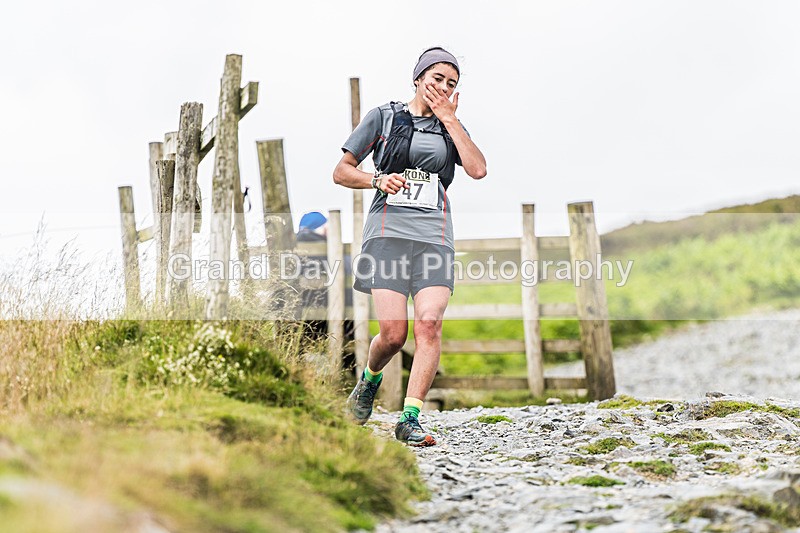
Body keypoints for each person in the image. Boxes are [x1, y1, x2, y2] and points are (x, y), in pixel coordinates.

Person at [333, 46, 487, 446]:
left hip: (434, 235)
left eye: (452, 83)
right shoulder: (384, 117)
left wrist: (450, 119)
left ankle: (410, 417)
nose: (443, 87)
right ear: (418, 78)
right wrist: (377, 180)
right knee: (393, 335)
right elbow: (341, 171)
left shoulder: (451, 127)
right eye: (437, 78)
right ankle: (369, 382)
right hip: (387, 233)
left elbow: (477, 169)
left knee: (429, 323)